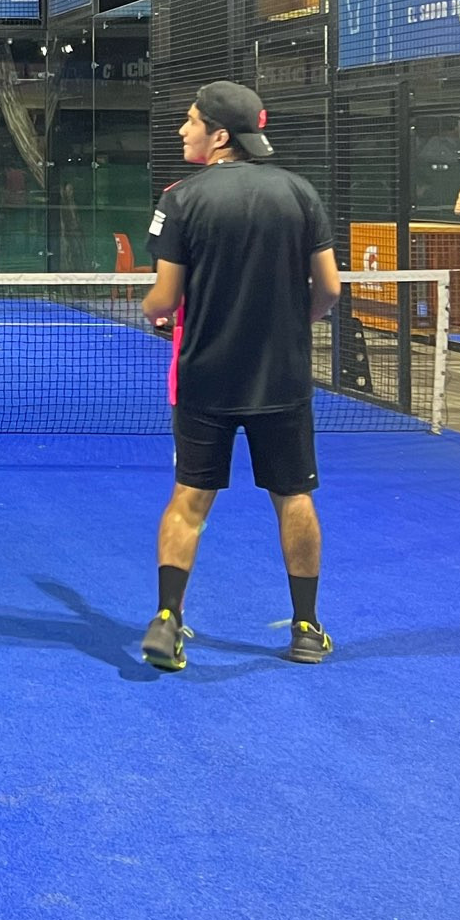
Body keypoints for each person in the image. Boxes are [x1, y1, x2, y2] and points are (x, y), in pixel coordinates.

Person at [139, 80, 341, 672]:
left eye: (191, 120)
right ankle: (306, 629)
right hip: (282, 379)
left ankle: (167, 620)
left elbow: (163, 300)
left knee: (189, 500)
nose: (183, 130)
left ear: (220, 135)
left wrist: (151, 310)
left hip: (206, 380)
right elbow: (329, 289)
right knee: (293, 496)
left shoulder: (180, 200)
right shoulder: (300, 194)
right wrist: (293, 323)